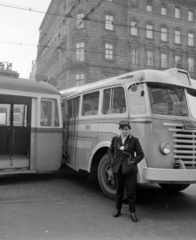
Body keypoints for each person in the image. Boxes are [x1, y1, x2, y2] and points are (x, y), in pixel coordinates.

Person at [108, 120, 144, 222]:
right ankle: (117, 209)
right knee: (119, 191)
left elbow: (141, 154)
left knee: (131, 192)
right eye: (123, 129)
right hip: (118, 169)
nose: (124, 131)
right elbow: (110, 151)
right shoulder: (115, 139)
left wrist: (133, 161)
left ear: (129, 130)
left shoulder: (134, 140)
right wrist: (111, 159)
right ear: (120, 129)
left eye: (126, 129)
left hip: (130, 170)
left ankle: (132, 212)